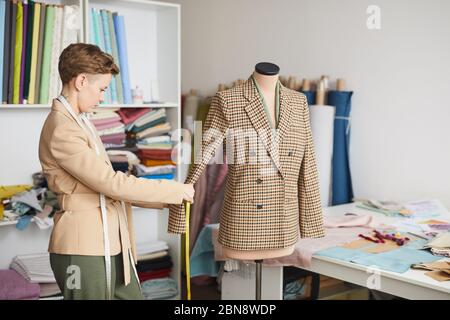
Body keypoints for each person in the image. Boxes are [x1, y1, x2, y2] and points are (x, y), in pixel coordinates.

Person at [38, 43, 194, 300]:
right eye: (101, 89)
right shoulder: (62, 128)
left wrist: (168, 198)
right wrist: (172, 189)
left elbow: (106, 187)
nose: (102, 97)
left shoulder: (80, 122)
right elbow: (110, 183)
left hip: (111, 241)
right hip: (83, 247)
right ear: (81, 81)